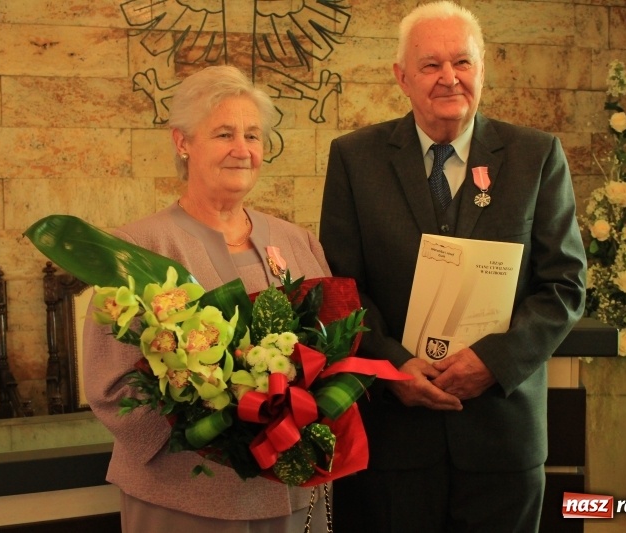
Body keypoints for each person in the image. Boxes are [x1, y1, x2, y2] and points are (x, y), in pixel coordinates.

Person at [319, 2, 587, 532]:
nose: (449, 78)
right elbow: (340, 289)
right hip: (391, 439)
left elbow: (564, 285)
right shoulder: (356, 158)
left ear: (482, 69)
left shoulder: (537, 156)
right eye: (430, 65)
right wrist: (393, 365)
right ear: (401, 77)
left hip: (501, 440)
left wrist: (493, 361)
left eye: (462, 63)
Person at [83, 65, 330, 533]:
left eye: (253, 136)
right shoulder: (138, 247)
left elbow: (328, 353)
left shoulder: (298, 242)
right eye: (223, 134)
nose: (243, 150)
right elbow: (110, 384)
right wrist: (223, 429)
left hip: (288, 490)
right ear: (182, 143)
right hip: (183, 496)